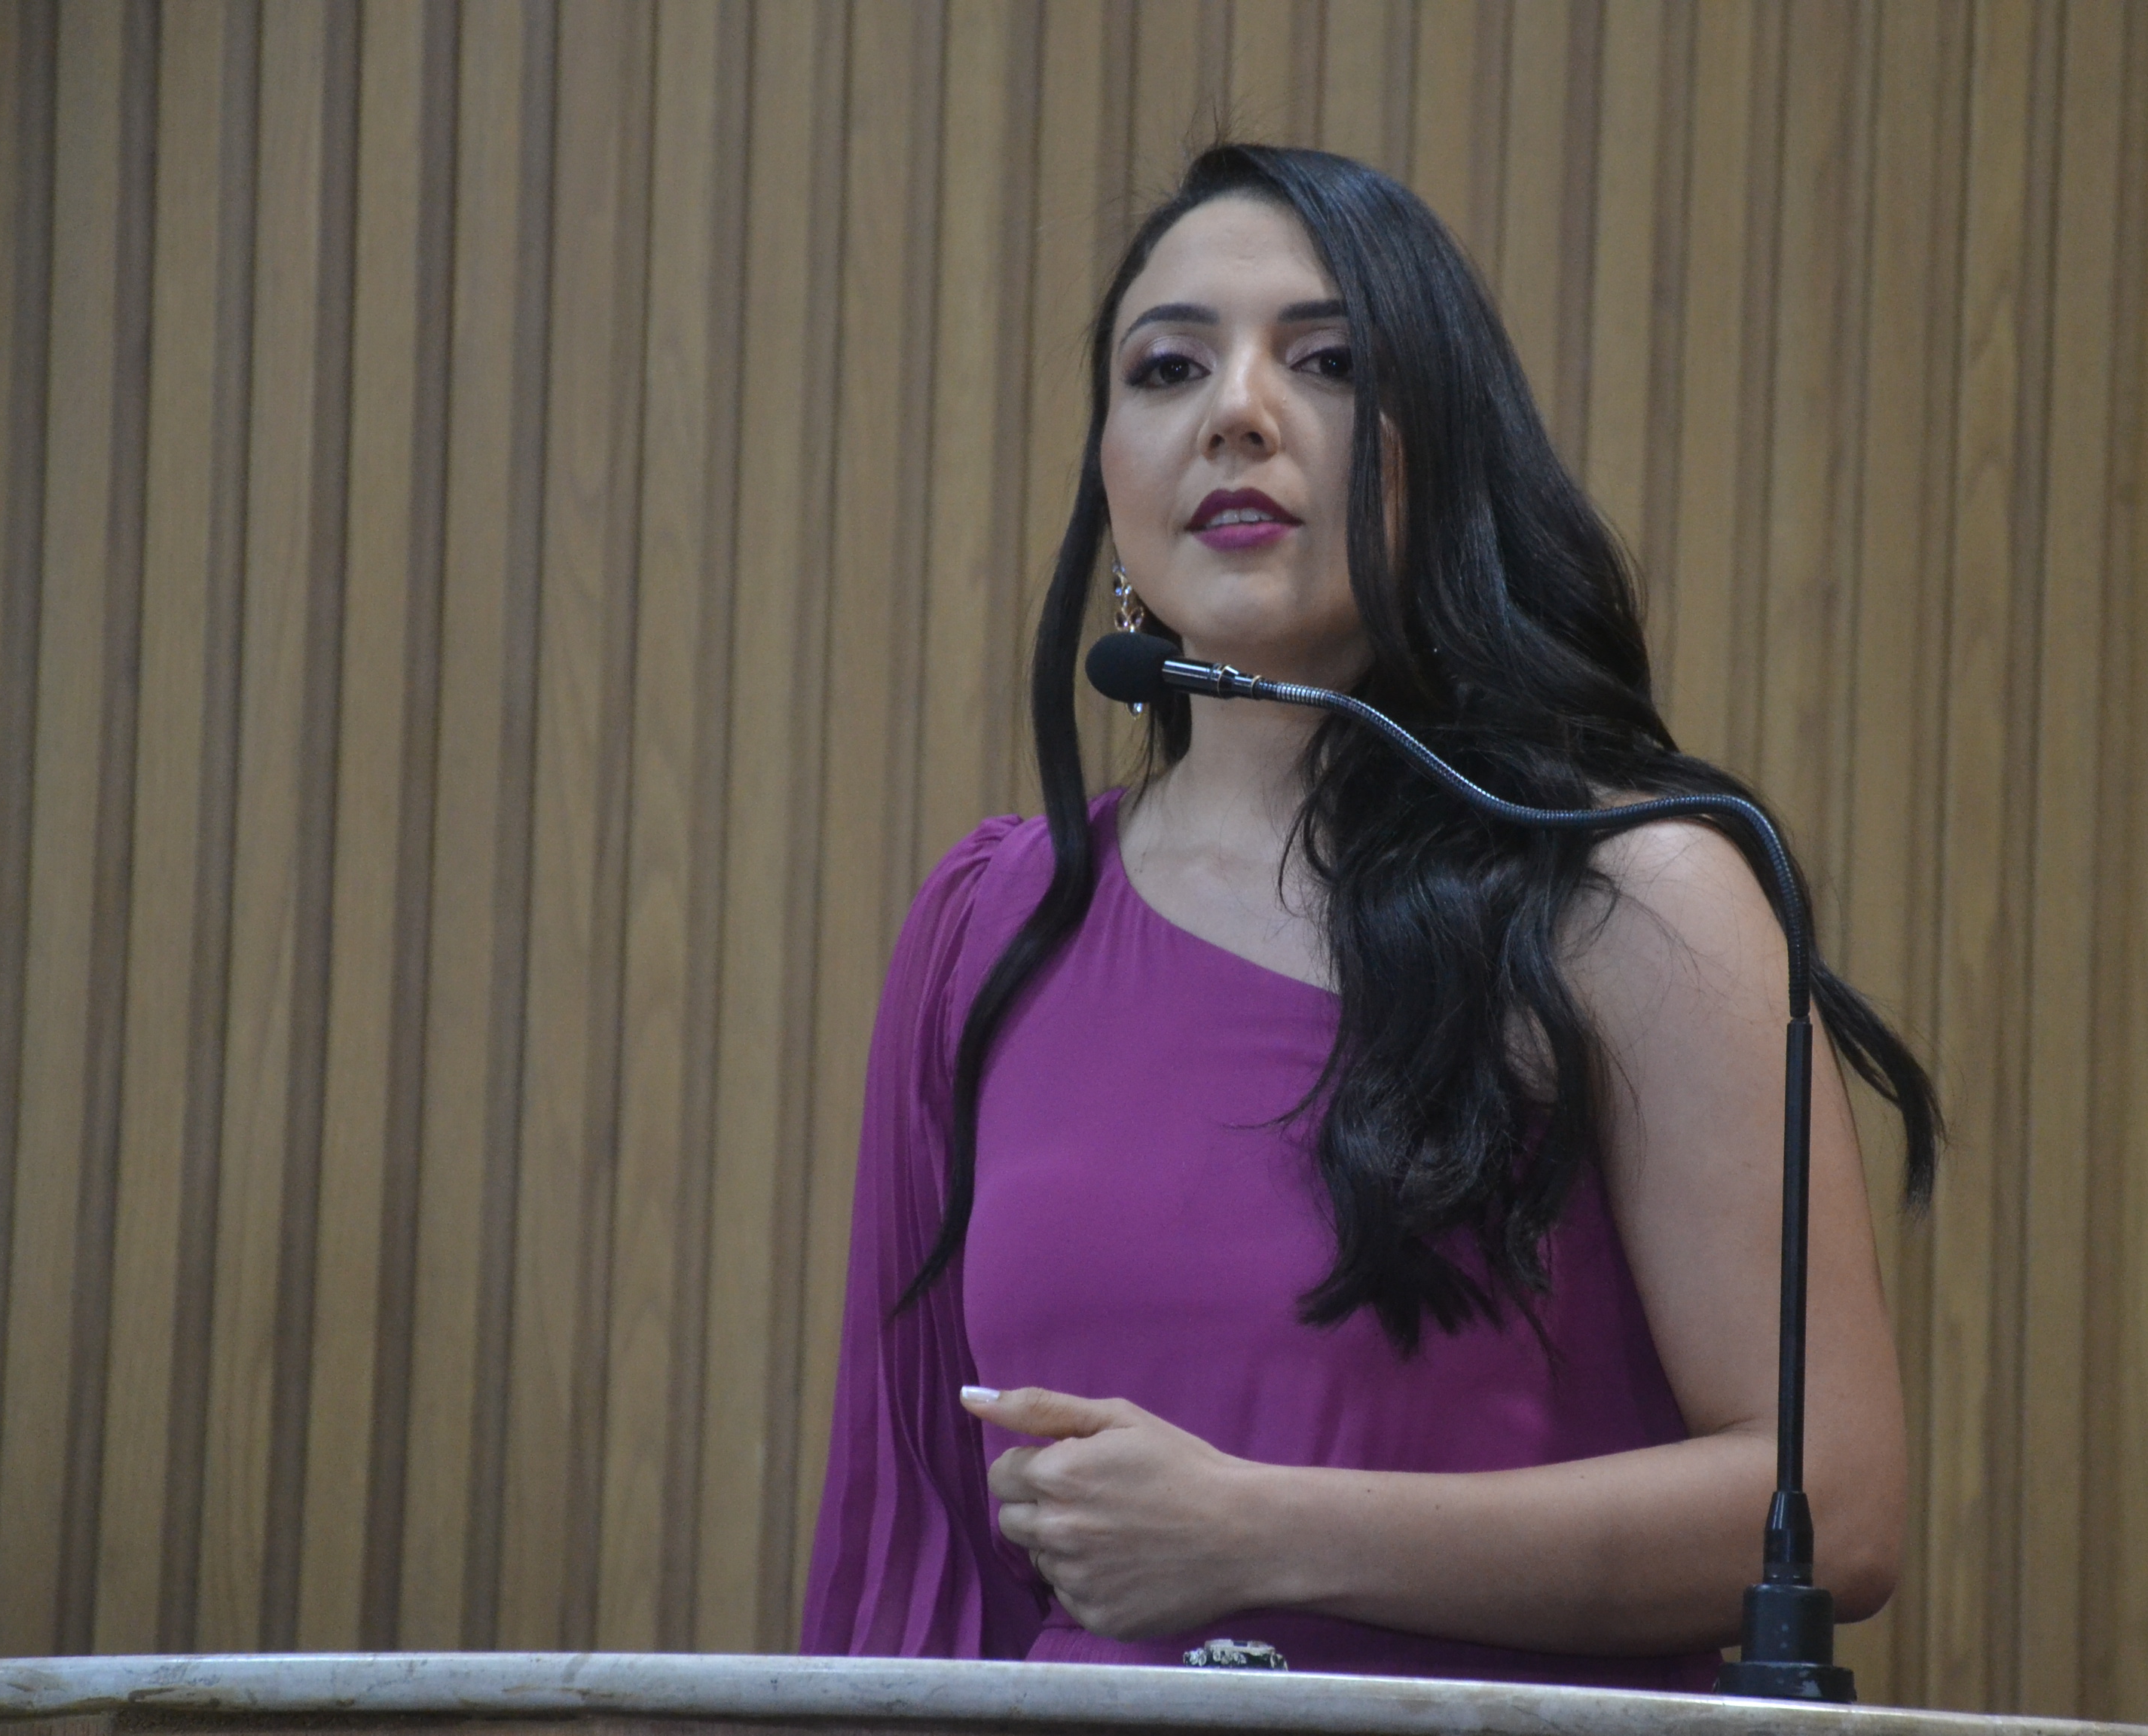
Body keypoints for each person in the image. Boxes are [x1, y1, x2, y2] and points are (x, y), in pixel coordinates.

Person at [801, 144, 1939, 1689]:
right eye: (1167, 368)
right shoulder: (989, 924)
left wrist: (1259, 1535)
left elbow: (1831, 1513)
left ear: (1443, 454)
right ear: (1110, 473)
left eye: (1327, 361)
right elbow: (918, 1560)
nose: (1236, 412)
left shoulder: (1626, 892)